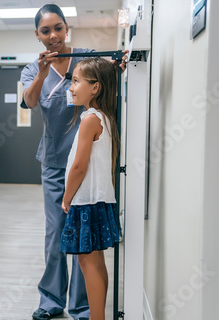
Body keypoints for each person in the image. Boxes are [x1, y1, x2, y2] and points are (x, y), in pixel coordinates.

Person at [21, 4, 126, 320]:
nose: (53, 36)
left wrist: (118, 67)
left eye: (58, 28)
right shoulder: (32, 68)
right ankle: (51, 300)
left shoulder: (86, 57)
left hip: (87, 162)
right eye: (45, 30)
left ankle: (82, 306)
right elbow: (29, 101)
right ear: (37, 35)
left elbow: (105, 75)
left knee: (83, 235)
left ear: (67, 29)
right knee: (55, 233)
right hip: (55, 163)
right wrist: (41, 73)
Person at [61, 57, 121, 320]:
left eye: (76, 81)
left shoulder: (89, 120)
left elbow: (79, 167)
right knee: (96, 262)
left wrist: (66, 197)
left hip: (86, 201)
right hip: (100, 200)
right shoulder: (103, 117)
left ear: (95, 87)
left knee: (87, 263)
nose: (71, 88)